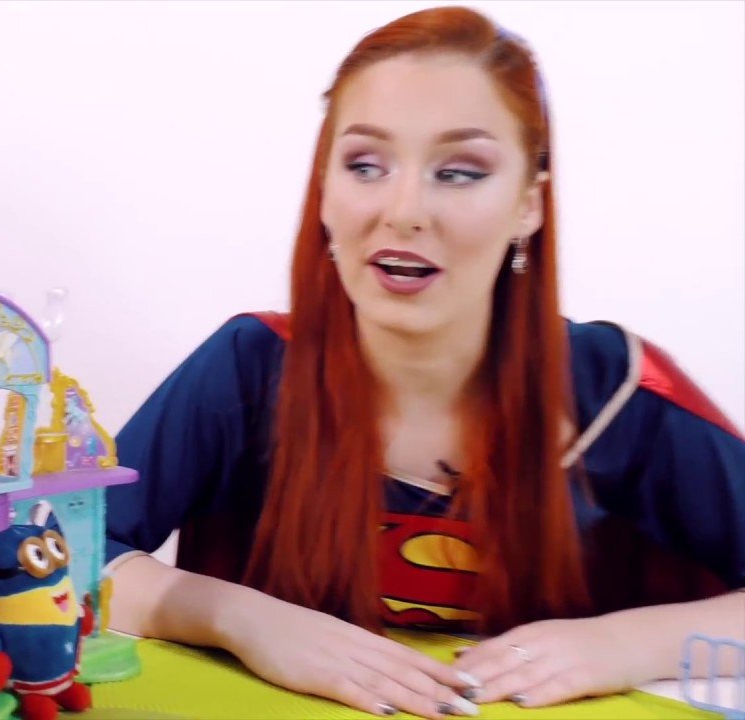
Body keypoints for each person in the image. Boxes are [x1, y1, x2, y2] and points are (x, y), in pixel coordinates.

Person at [103, 6, 745, 719]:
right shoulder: (250, 369)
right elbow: (52, 555)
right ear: (324, 189)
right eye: (365, 165)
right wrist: (242, 618)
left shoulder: (619, 394)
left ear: (528, 205)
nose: (405, 210)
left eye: (459, 172)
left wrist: (622, 644)